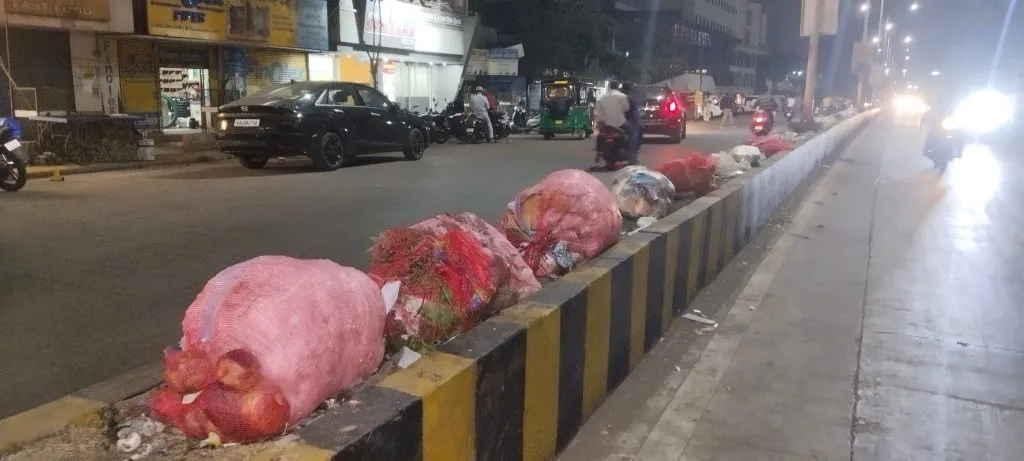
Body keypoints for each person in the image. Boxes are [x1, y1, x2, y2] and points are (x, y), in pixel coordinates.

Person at [593, 82, 630, 163]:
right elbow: (626, 108)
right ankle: (629, 152)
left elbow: (598, 111)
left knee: (600, 135)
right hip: (620, 123)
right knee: (630, 133)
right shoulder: (622, 96)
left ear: (609, 86)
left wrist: (600, 121)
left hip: (606, 124)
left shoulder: (602, 97)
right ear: (618, 87)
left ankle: (598, 152)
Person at [621, 81, 642, 164]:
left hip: (613, 121)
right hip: (625, 122)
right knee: (636, 132)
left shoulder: (618, 97)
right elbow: (634, 114)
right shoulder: (629, 99)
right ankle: (632, 156)